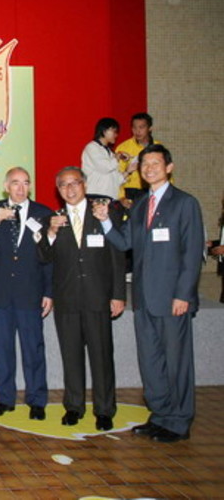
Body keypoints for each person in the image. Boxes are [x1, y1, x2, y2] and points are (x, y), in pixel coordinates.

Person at [93, 145, 204, 442]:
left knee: (177, 362)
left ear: (169, 167)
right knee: (151, 361)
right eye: (145, 164)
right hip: (144, 299)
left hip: (172, 300)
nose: (149, 168)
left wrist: (184, 295)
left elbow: (192, 254)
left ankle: (179, 421)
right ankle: (160, 415)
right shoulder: (140, 205)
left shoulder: (185, 203)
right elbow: (123, 242)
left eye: (156, 163)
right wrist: (105, 220)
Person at [37, 166, 125, 430]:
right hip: (67, 300)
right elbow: (43, 257)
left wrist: (118, 294)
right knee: (71, 356)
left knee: (102, 355)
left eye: (74, 183)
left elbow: (117, 257)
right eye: (63, 185)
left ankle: (105, 410)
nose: (69, 189)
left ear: (84, 184)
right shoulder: (54, 219)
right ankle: (74, 406)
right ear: (58, 190)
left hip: (99, 297)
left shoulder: (104, 213)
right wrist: (50, 233)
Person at [0, 167, 54, 421]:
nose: (21, 188)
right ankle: (5, 398)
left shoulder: (44, 214)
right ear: (5, 186)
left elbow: (49, 257)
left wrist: (49, 291)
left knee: (33, 347)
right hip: (1, 291)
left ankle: (36, 399)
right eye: (15, 183)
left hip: (30, 291)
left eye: (25, 183)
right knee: (3, 348)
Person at [83, 117, 137, 201]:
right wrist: (117, 157)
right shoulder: (92, 148)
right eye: (114, 131)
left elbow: (116, 180)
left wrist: (128, 171)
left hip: (109, 197)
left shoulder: (110, 152)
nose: (116, 135)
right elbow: (105, 168)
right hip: (95, 196)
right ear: (104, 131)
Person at [114, 113, 160, 205]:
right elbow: (115, 175)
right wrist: (121, 197)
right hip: (130, 194)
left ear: (150, 128)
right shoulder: (123, 148)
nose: (137, 131)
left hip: (152, 192)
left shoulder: (158, 148)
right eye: (134, 128)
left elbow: (165, 174)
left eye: (141, 127)